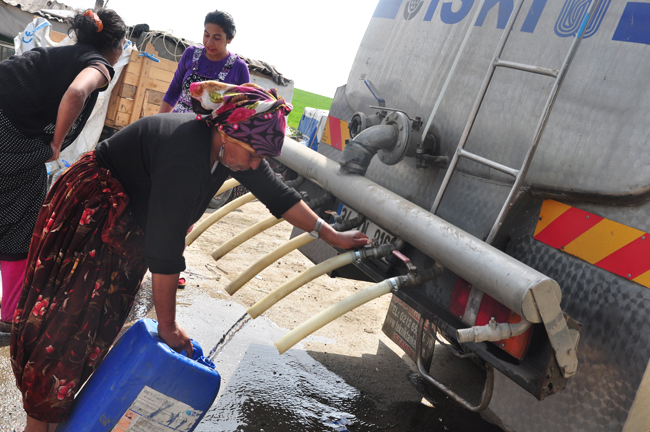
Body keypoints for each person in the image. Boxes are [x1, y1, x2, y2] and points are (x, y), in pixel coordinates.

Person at [10, 81, 370, 431]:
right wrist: (167, 325)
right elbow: (164, 250)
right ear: (228, 134)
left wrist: (331, 235)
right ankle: (38, 424)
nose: (255, 163)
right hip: (93, 216)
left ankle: (55, 419)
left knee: (93, 328)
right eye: (254, 154)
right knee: (65, 325)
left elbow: (279, 194)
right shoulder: (187, 156)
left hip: (126, 223)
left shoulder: (232, 148)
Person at [0, 9, 127, 335]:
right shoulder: (99, 65)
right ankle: (10, 314)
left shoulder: (63, 54)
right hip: (9, 131)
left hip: (9, 121)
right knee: (23, 216)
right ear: (114, 44)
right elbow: (76, 92)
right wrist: (56, 143)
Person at [158, 9, 249, 114]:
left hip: (211, 129)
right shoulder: (190, 54)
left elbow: (242, 110)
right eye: (206, 35)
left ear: (230, 38)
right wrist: (158, 125)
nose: (209, 42)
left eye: (217, 38)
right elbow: (173, 92)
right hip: (177, 125)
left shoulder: (239, 68)